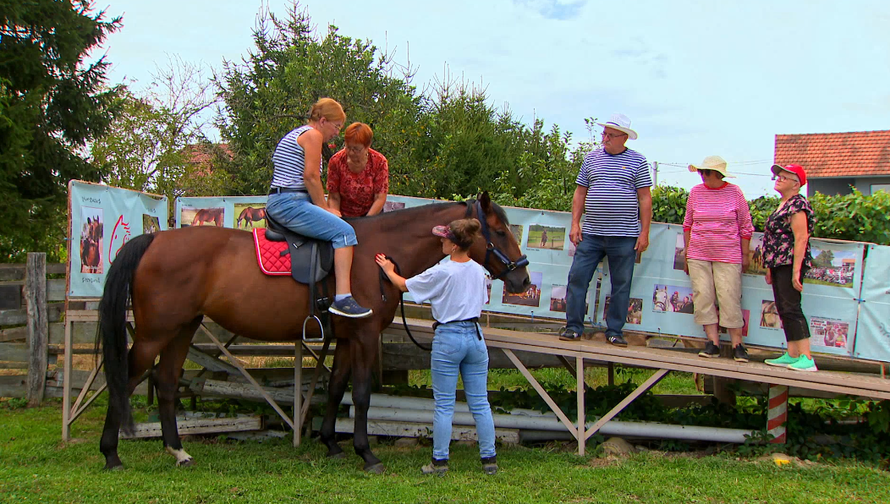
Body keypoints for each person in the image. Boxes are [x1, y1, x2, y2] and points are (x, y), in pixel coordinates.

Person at [375, 219, 498, 476]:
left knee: (444, 404)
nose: (440, 241)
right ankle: (489, 459)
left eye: (444, 239)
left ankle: (439, 462)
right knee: (480, 403)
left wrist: (387, 268)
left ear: (454, 245)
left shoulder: (442, 271)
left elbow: (403, 285)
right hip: (475, 337)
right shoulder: (479, 270)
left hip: (448, 337)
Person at [266, 98, 372, 318]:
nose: (336, 133)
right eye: (336, 127)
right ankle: (343, 298)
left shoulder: (297, 134)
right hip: (290, 202)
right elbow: (311, 177)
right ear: (323, 121)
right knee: (344, 232)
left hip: (283, 199)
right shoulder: (313, 135)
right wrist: (325, 208)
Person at [561, 114, 652, 345]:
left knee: (621, 284)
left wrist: (644, 232)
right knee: (577, 278)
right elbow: (580, 192)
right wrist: (575, 223)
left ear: (624, 138)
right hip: (591, 232)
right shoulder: (591, 159)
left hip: (624, 235)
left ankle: (614, 331)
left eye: (611, 135)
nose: (605, 138)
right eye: (604, 133)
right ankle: (573, 327)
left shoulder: (638, 161)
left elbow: (645, 198)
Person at [681, 156, 754, 362]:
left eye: (706, 172)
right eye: (701, 172)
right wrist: (687, 253)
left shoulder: (734, 192)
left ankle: (737, 344)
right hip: (698, 252)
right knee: (703, 296)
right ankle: (712, 342)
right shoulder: (695, 192)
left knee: (729, 296)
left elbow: (745, 226)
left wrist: (745, 254)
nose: (702, 175)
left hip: (728, 254)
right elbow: (688, 224)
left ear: (717, 174)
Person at [762, 164, 817, 372]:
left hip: (789, 262)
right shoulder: (782, 204)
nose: (779, 179)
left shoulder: (798, 204)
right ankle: (792, 353)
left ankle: (806, 356)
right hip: (778, 262)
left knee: (792, 307)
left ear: (796, 184)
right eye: (778, 176)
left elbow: (801, 237)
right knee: (783, 307)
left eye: (784, 177)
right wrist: (769, 266)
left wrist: (796, 271)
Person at [326, 122, 389, 218]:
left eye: (356, 149)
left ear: (367, 146)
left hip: (371, 215)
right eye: (348, 147)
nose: (351, 152)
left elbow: (380, 198)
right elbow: (334, 197)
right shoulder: (336, 161)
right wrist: (337, 220)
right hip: (343, 215)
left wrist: (366, 222)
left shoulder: (379, 162)